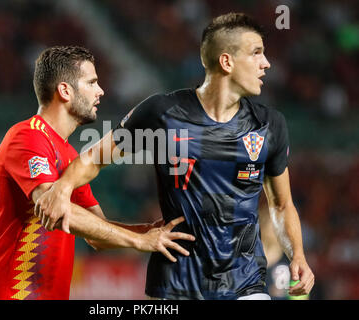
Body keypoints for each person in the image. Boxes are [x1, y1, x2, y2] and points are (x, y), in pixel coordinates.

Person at [35, 13, 315, 300]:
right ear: (227, 61)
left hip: (245, 285)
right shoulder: (163, 113)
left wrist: (298, 256)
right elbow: (95, 159)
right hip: (176, 285)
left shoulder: (270, 125)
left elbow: (281, 205)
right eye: (256, 53)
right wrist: (62, 188)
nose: (266, 63)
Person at [0, 46, 195, 300]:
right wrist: (139, 241)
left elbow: (98, 236)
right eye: (92, 82)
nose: (101, 91)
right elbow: (56, 209)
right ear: (65, 91)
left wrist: (148, 231)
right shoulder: (27, 137)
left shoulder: (70, 157)